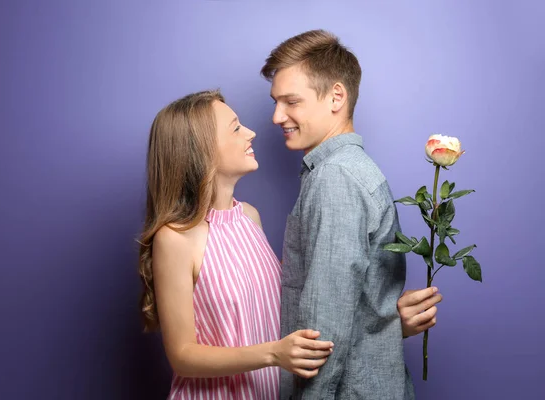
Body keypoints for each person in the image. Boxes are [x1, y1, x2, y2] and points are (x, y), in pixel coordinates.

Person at [260, 29, 428, 399]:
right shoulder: (353, 169)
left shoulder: (335, 178)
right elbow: (363, 307)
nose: (276, 117)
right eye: (275, 102)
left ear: (337, 96)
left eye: (291, 102)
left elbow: (324, 331)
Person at [139, 90, 334, 400]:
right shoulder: (174, 238)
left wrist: (387, 317)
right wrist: (272, 354)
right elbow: (182, 355)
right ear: (200, 150)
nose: (251, 132)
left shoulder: (248, 217)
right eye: (236, 127)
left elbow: (278, 297)